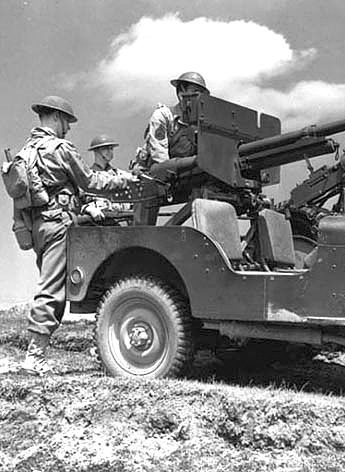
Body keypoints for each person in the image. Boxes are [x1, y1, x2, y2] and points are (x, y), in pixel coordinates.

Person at [18, 95, 138, 375]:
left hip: (38, 227)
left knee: (51, 284)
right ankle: (35, 356)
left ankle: (38, 353)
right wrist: (126, 180)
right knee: (52, 289)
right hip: (58, 224)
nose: (69, 129)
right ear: (57, 118)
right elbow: (90, 181)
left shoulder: (28, 151)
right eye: (67, 122)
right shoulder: (59, 149)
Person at [133, 71, 209, 225]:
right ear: (181, 93)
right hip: (152, 176)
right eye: (194, 92)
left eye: (200, 93)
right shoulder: (163, 116)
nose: (197, 97)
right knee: (142, 231)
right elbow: (160, 158)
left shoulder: (201, 123)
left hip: (181, 174)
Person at [81, 135, 132, 224]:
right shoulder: (88, 178)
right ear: (96, 151)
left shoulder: (121, 175)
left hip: (121, 224)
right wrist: (87, 208)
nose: (110, 152)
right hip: (97, 225)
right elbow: (77, 202)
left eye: (111, 148)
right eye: (106, 149)